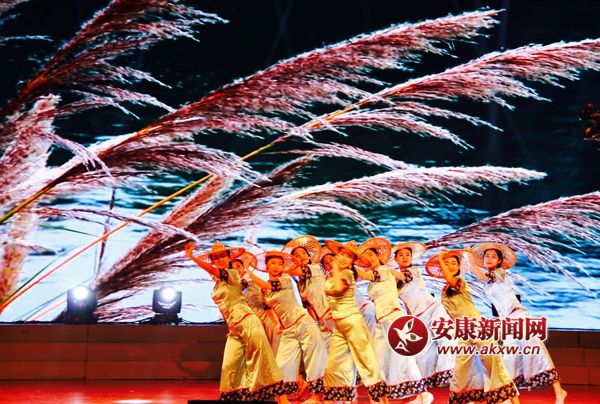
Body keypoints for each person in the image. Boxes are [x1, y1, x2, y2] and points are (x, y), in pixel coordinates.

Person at [184, 241, 287, 402]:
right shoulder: (218, 284)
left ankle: (283, 400)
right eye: (216, 257)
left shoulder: (231, 273)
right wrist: (229, 327)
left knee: (263, 357)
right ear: (213, 260)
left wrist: (192, 257)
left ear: (229, 258)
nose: (220, 259)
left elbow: (212, 270)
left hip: (247, 321)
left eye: (223, 256)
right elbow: (224, 309)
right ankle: (240, 397)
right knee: (229, 366)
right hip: (234, 328)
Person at [470, 242, 567, 403]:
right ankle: (509, 397)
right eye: (487, 256)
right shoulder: (488, 280)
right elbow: (481, 277)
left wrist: (469, 260)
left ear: (500, 261)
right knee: (508, 359)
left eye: (493, 256)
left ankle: (559, 392)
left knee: (537, 353)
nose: (489, 259)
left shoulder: (500, 273)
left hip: (520, 317)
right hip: (507, 323)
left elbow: (480, 276)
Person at [428, 249, 520, 404]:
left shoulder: (459, 281)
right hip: (463, 333)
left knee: (495, 368)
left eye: (453, 263)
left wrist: (441, 258)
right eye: (447, 264)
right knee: (461, 371)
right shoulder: (445, 289)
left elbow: (450, 279)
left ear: (459, 267)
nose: (450, 266)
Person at [357, 237, 432, 403]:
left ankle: (423, 394)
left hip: (393, 317)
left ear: (378, 256)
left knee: (403, 356)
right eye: (365, 257)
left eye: (371, 255)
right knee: (380, 358)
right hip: (382, 321)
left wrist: (347, 264)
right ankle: (381, 396)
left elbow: (365, 275)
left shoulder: (383, 270)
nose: (369, 259)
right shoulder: (378, 277)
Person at [246, 250, 327, 402]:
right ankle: (283, 401)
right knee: (281, 366)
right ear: (267, 266)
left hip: (303, 323)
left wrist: (249, 273)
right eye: (273, 263)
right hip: (288, 330)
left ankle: (316, 398)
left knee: (314, 360)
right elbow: (268, 308)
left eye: (280, 263)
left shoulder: (285, 279)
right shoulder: (264, 290)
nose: (277, 266)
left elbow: (267, 285)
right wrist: (277, 324)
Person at [322, 239, 388, 403]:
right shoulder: (334, 276)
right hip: (340, 325)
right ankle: (341, 399)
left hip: (353, 323)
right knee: (334, 365)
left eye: (349, 256)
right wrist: (332, 312)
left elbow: (338, 289)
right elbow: (337, 298)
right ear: (337, 254)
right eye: (342, 254)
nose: (344, 258)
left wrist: (335, 266)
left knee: (366, 363)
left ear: (352, 261)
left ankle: (381, 400)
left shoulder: (348, 274)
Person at [394, 241, 455, 389]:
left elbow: (404, 277)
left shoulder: (413, 271)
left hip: (433, 309)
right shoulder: (394, 280)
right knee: (425, 349)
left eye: (407, 254)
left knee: (447, 338)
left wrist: (384, 270)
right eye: (401, 255)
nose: (405, 257)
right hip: (418, 316)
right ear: (395, 258)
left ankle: (447, 374)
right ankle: (430, 379)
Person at [283, 235, 334, 345]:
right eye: (297, 255)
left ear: (309, 256)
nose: (301, 256)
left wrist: (281, 267)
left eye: (303, 253)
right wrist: (316, 321)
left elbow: (299, 271)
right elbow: (308, 306)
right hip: (321, 317)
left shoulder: (314, 268)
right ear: (293, 261)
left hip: (331, 310)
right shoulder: (300, 285)